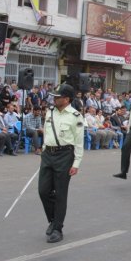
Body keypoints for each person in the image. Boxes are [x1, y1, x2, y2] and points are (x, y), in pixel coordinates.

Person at [39, 83, 84, 243]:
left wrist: (76, 163)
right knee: (43, 191)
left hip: (65, 155)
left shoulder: (75, 116)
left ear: (66, 99)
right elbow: (46, 130)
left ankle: (57, 228)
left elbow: (79, 142)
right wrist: (44, 149)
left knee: (60, 193)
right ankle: (53, 220)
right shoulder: (50, 112)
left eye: (58, 97)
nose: (54, 99)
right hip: (48, 154)